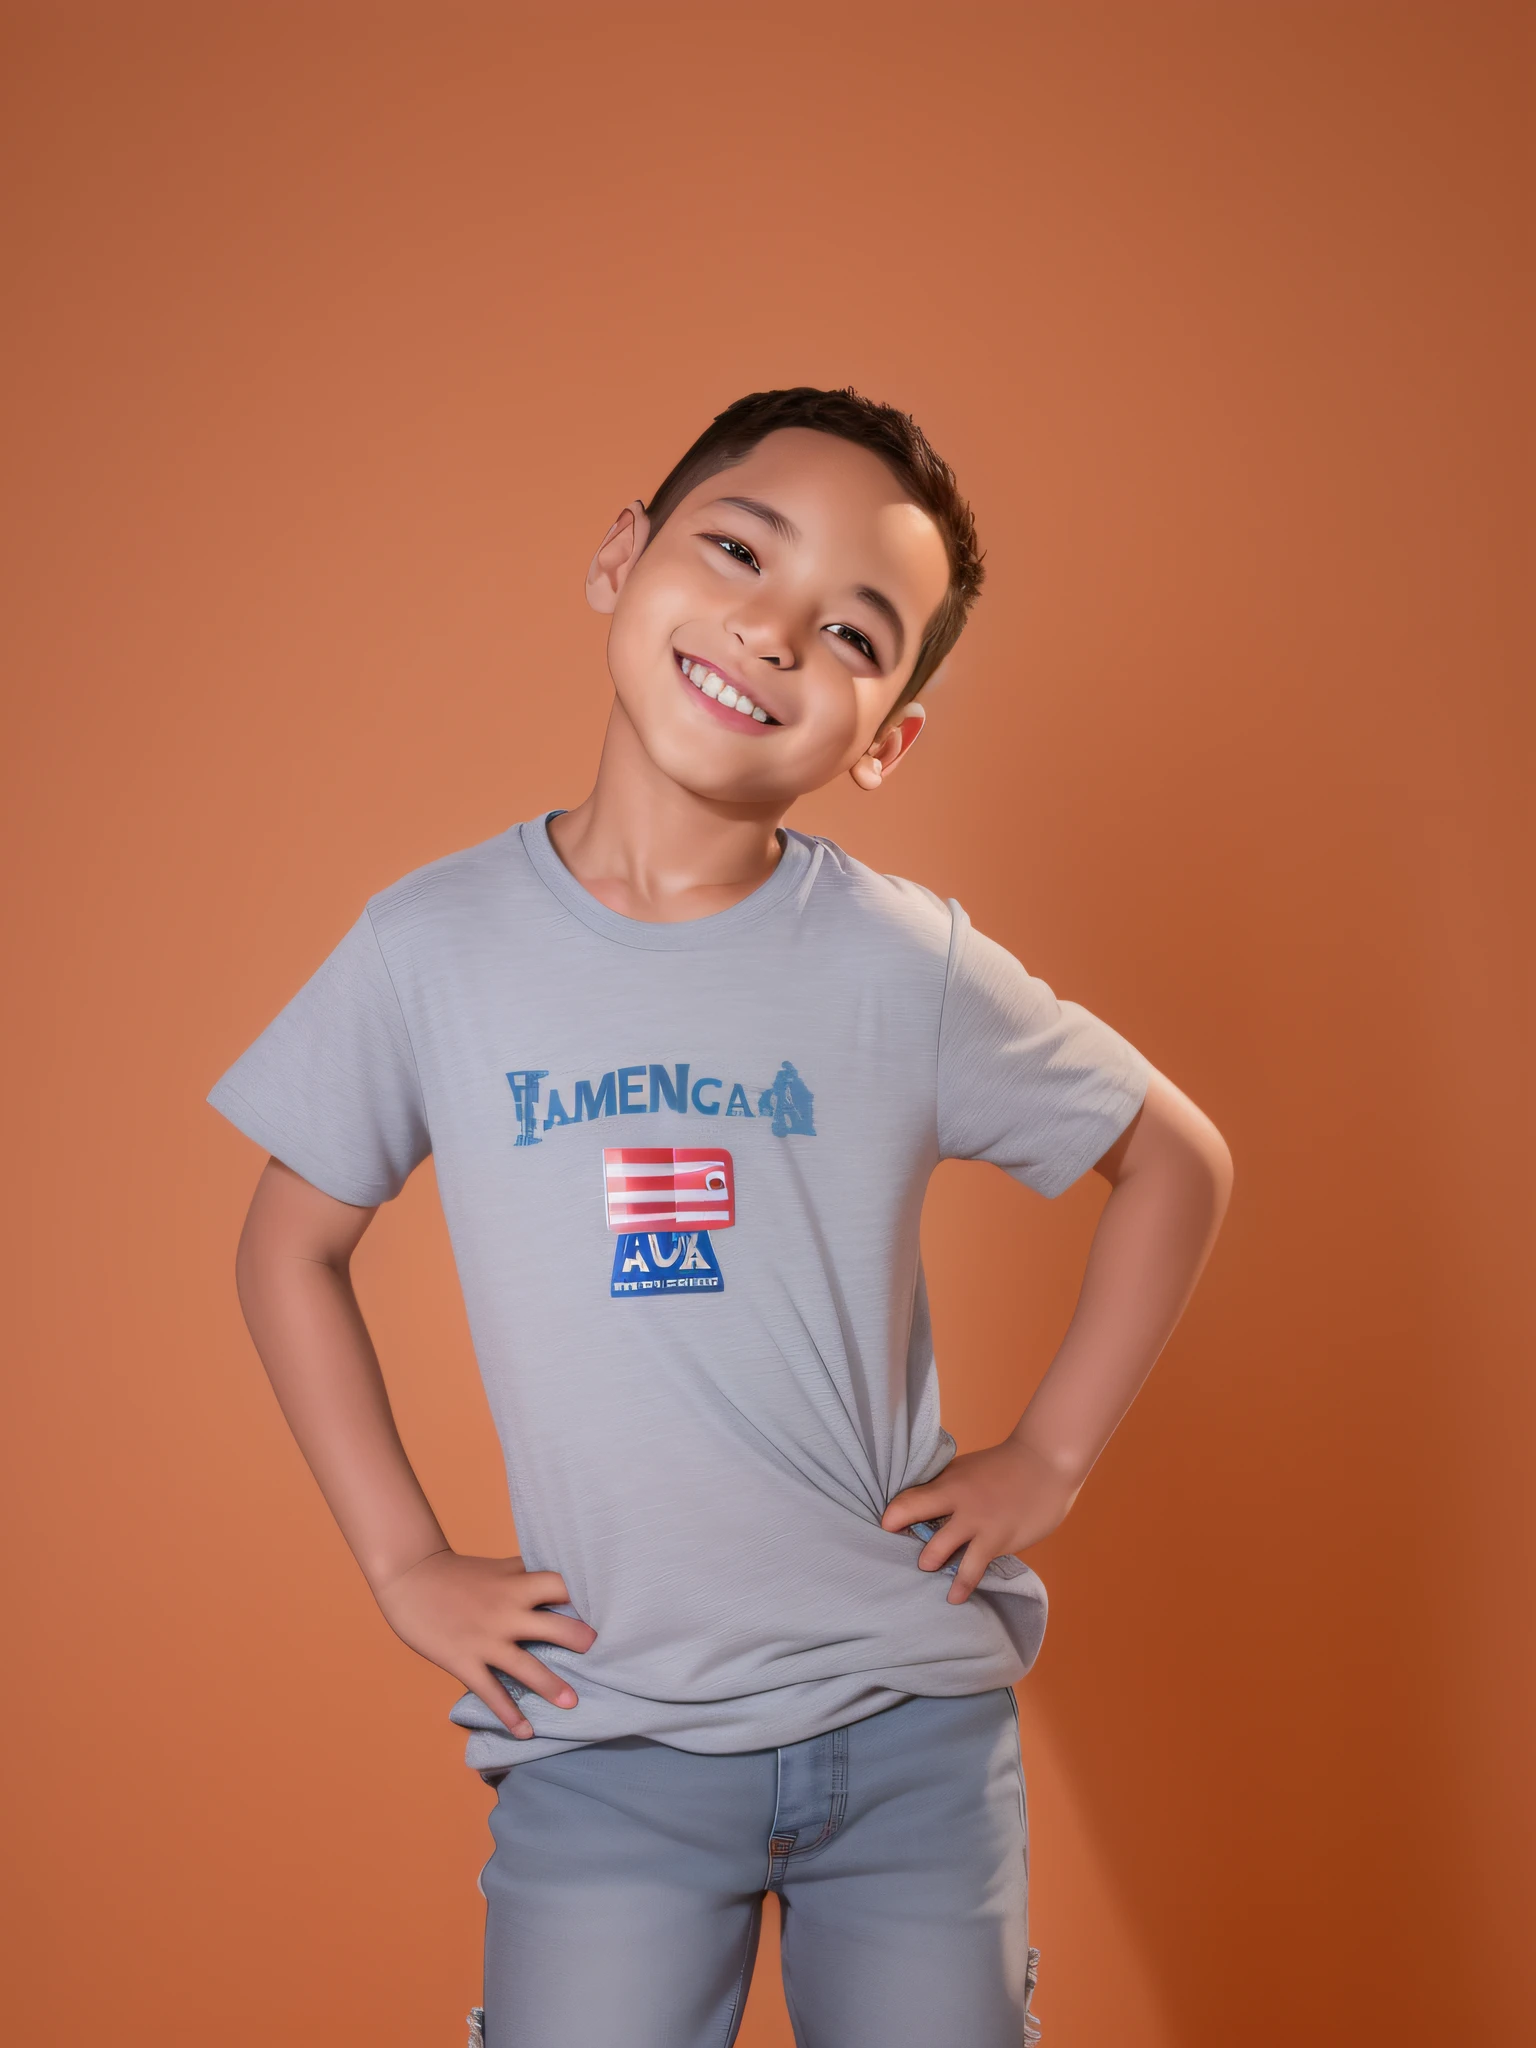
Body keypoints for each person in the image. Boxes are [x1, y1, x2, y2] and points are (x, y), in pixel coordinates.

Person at [208, 386, 1233, 2048]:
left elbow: (1178, 1163)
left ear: (887, 736)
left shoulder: (907, 966)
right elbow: (287, 1244)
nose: (768, 631)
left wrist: (1045, 1458)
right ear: (622, 558)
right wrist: (402, 1561)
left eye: (848, 629)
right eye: (739, 551)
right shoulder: (431, 947)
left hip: (906, 1724)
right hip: (603, 1733)